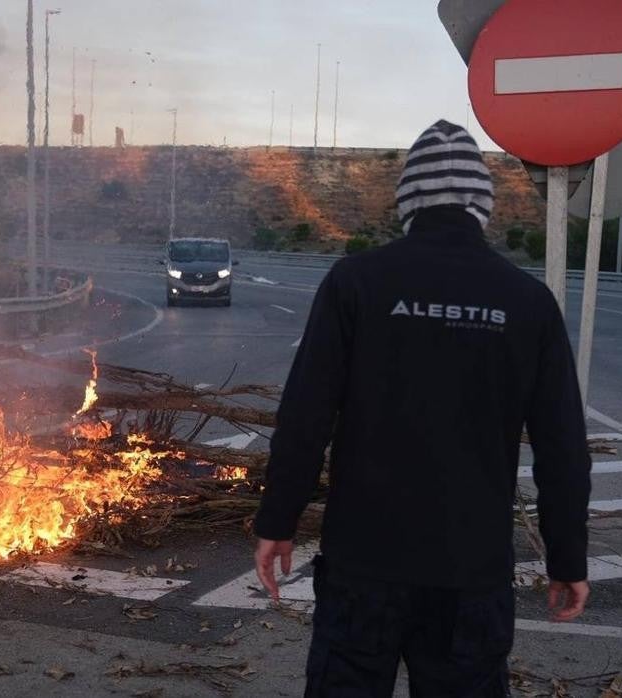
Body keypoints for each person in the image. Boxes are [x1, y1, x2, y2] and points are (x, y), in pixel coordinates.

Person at [253, 120, 592, 697]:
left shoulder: (356, 281)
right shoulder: (527, 300)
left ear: (408, 200)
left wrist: (277, 521)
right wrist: (567, 559)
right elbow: (563, 448)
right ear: (481, 204)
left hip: (364, 564)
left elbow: (305, 418)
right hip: (471, 573)